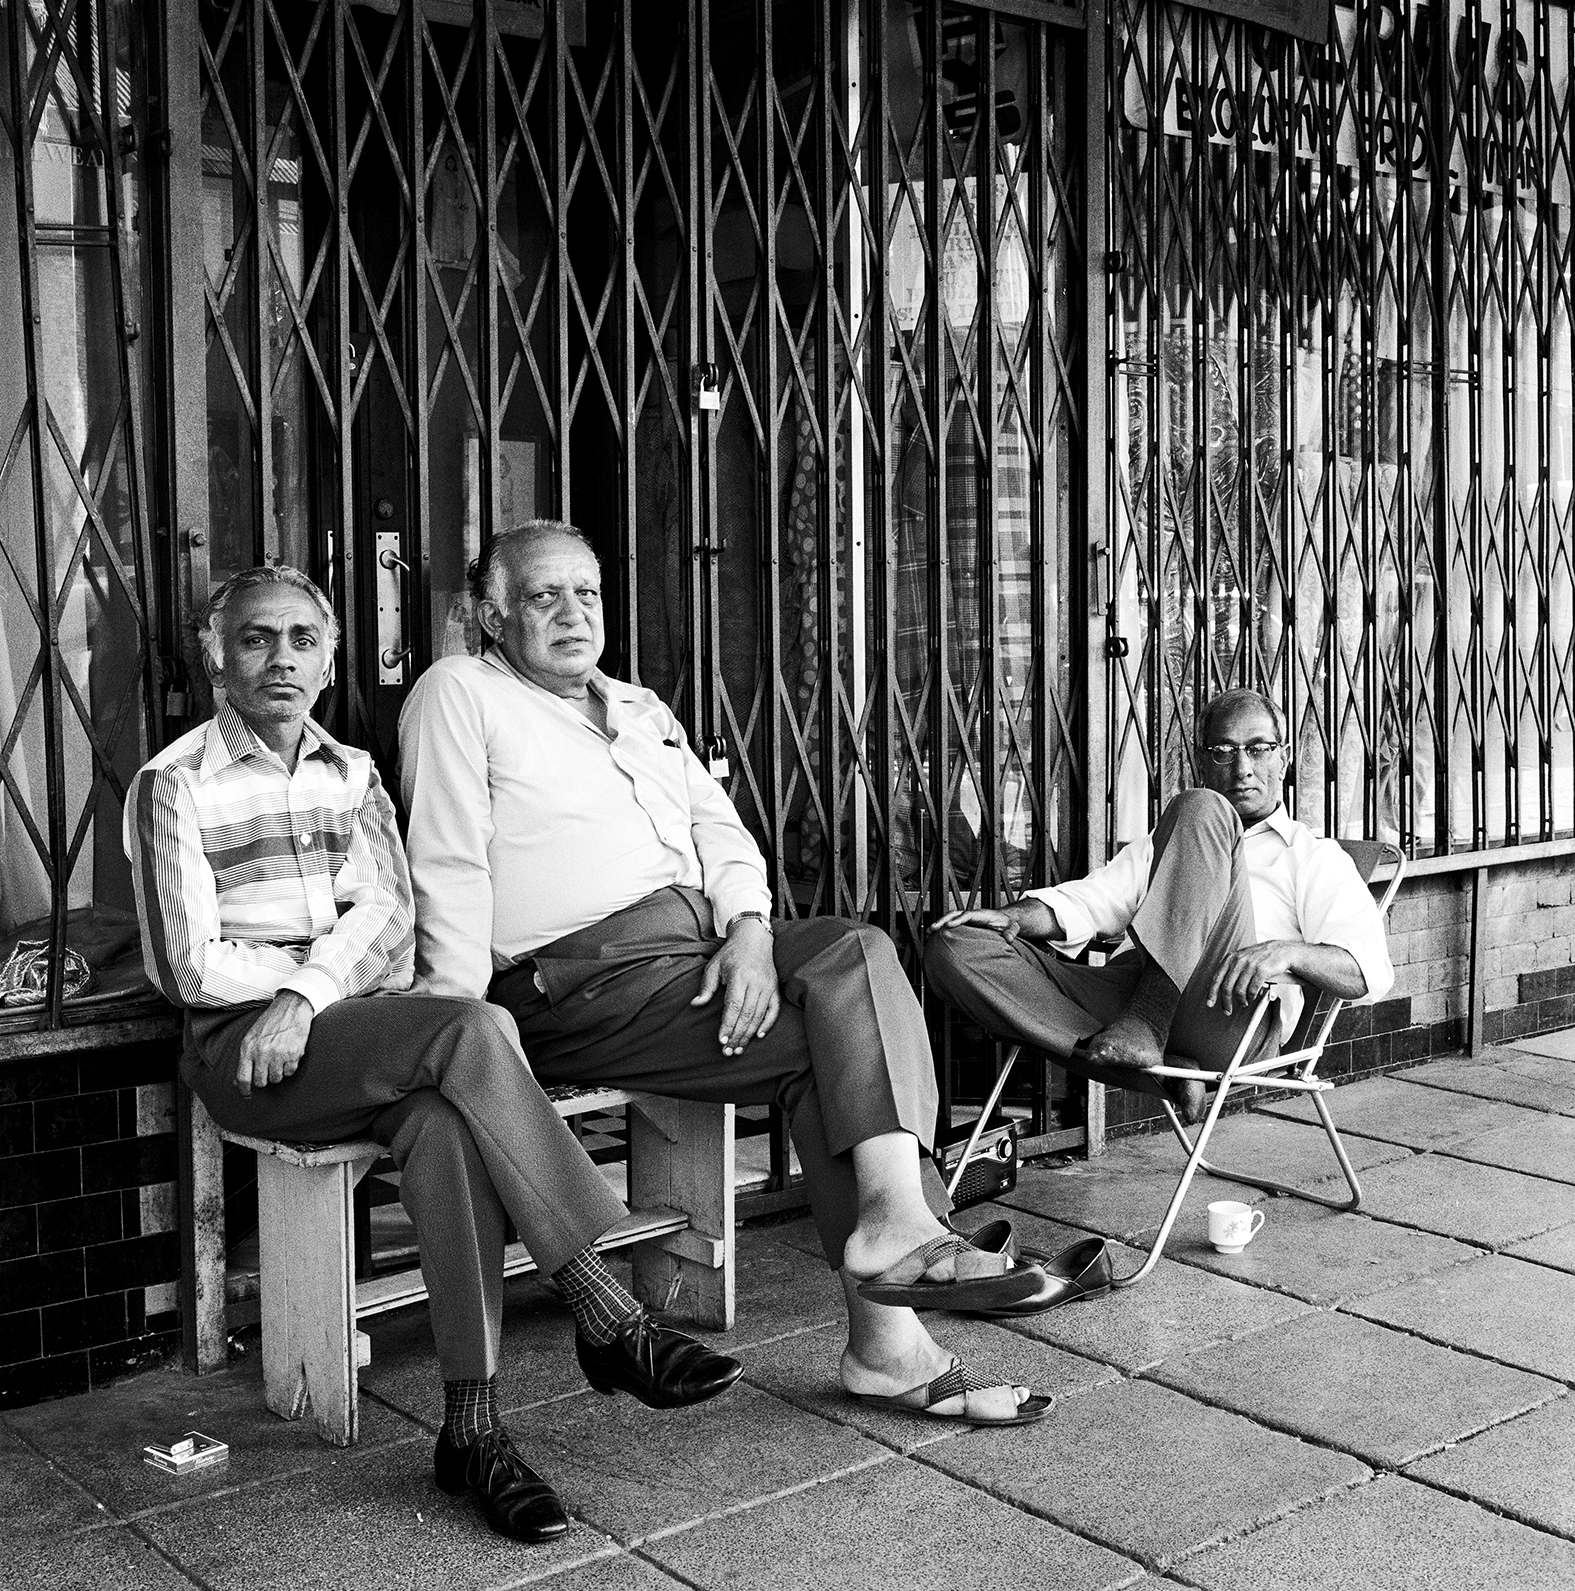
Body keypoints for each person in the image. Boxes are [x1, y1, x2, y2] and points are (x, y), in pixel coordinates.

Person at [125, 566, 744, 1548]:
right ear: (216, 654)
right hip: (246, 1052)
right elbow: (190, 965)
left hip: (350, 1031)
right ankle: (607, 1310)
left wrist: (304, 987)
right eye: (255, 638)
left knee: (444, 1124)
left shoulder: (355, 773)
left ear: (328, 660)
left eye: (299, 638)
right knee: (473, 1024)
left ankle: (473, 1430)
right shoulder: (173, 785)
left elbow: (390, 927)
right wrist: (300, 993)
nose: (279, 657)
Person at [398, 520, 1053, 1431]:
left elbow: (723, 834)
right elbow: (449, 863)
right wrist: (468, 1033)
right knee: (828, 1049)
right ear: (492, 614)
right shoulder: (458, 692)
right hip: (579, 979)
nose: (571, 612)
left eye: (585, 593)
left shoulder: (639, 706)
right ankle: (889, 1340)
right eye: (543, 596)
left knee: (856, 948)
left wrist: (748, 928)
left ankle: (895, 1226)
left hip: (698, 955)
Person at [924, 689, 1395, 1124]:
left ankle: (1147, 1026)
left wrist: (1287, 953)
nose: (1242, 767)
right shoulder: (1172, 838)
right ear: (1202, 761)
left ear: (1283, 759)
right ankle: (1164, 1071)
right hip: (1129, 996)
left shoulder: (1311, 856)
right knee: (954, 946)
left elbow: (1369, 971)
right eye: (1223, 751)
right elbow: (1096, 899)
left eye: (1258, 748)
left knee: (1202, 810)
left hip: (1227, 1008)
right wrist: (1014, 917)